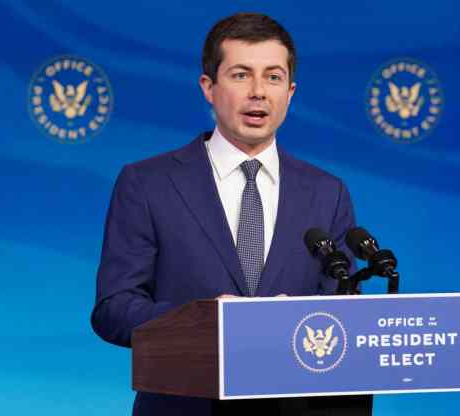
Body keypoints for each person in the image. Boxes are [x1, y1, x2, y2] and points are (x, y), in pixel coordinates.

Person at [91, 13, 369, 415]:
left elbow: (344, 314)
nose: (258, 92)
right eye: (241, 75)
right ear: (209, 87)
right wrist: (207, 321)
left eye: (273, 78)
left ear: (290, 92)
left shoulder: (327, 192)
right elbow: (114, 310)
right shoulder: (147, 183)